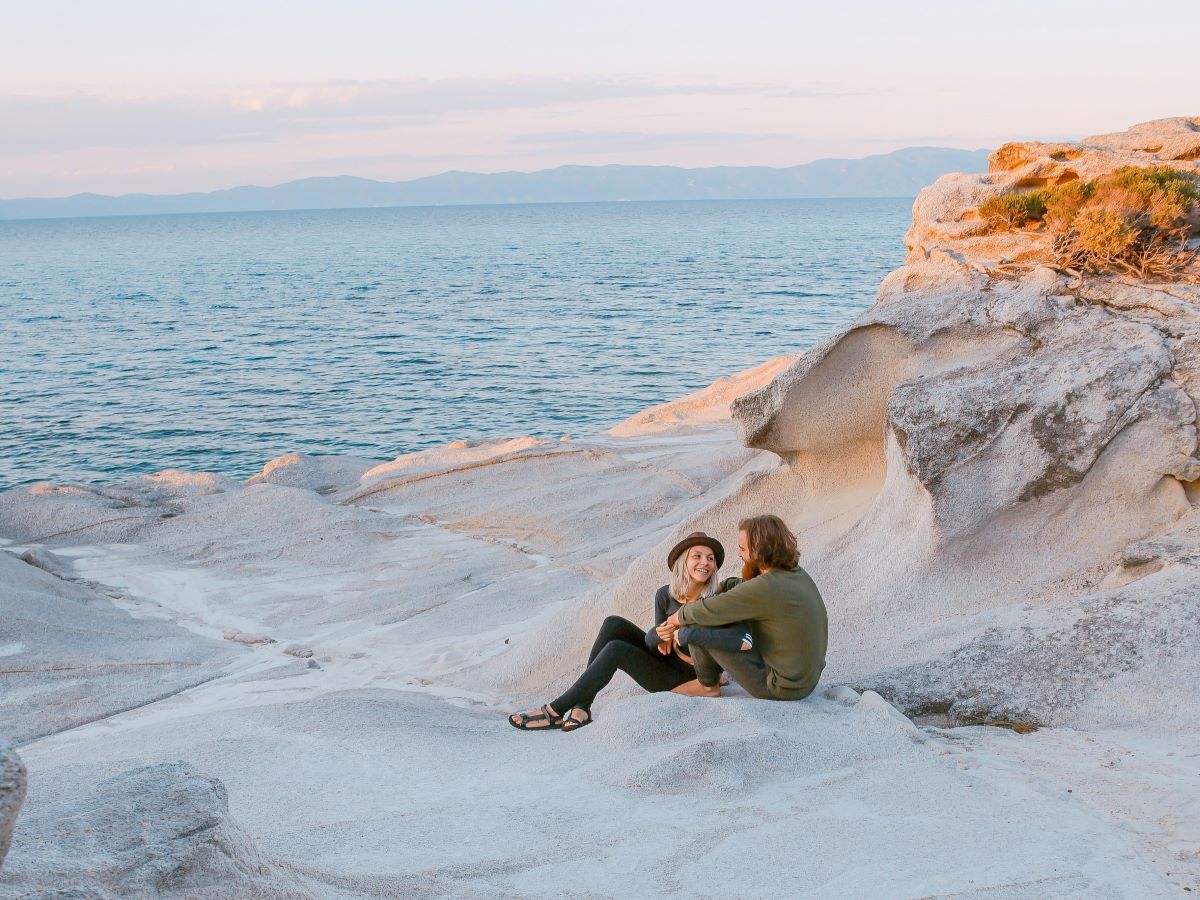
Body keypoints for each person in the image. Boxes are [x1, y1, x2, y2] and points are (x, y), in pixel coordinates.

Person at [507, 532, 753, 732]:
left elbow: (721, 644)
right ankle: (582, 706)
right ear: (683, 562)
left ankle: (555, 710)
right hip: (666, 663)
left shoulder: (717, 599)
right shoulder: (665, 595)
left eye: (710, 558)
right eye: (697, 556)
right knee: (613, 623)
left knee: (616, 650)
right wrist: (660, 635)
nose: (705, 563)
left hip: (689, 676)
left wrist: (680, 631)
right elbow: (654, 646)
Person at [660, 515, 826, 701]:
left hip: (781, 687)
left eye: (742, 549)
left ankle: (707, 686)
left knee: (696, 621)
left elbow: (709, 609)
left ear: (758, 551)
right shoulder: (794, 574)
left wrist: (676, 618)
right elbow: (744, 587)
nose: (740, 554)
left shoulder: (765, 587)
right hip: (805, 679)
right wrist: (723, 586)